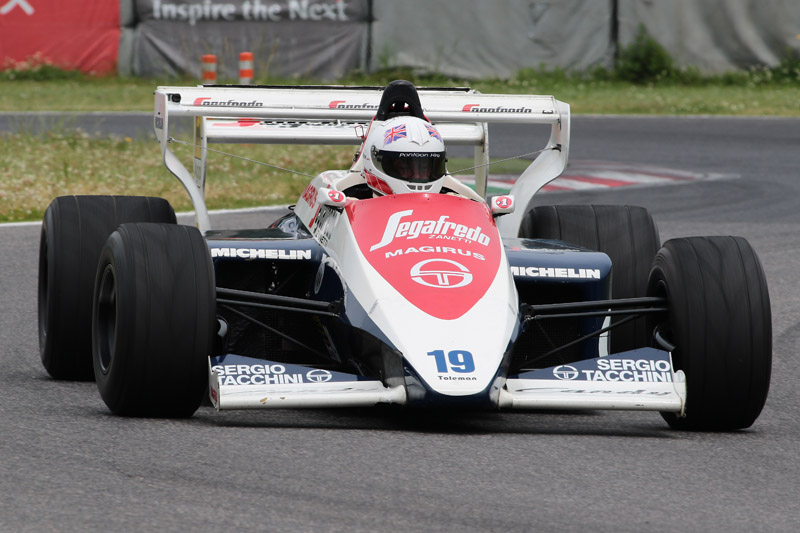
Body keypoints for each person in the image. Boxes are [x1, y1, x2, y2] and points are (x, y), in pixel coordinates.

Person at [337, 80, 481, 201]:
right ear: (377, 162)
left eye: (424, 168)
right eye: (406, 169)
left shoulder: (457, 201)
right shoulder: (348, 204)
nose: (417, 177)